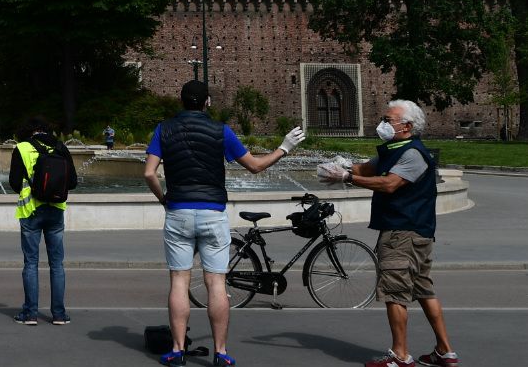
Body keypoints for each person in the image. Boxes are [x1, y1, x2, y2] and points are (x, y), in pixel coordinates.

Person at [143, 81, 305, 366]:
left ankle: (178, 350)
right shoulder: (221, 131)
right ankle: (220, 353)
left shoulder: (163, 129)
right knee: (216, 283)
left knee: (179, 282)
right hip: (212, 212)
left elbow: (149, 174)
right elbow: (254, 166)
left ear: (181, 101)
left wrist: (164, 200)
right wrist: (284, 148)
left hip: (178, 211)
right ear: (207, 102)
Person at [318, 100, 458, 367]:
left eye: (388, 119)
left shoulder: (413, 154)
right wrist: (342, 167)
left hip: (402, 232)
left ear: (406, 126)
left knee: (394, 292)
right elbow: (368, 169)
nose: (382, 123)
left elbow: (389, 184)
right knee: (424, 290)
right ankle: (445, 351)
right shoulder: (394, 150)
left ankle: (400, 355)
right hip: (414, 231)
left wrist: (346, 179)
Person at [9, 117, 77, 326]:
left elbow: (13, 183)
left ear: (28, 131)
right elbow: (73, 183)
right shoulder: (60, 147)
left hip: (31, 211)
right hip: (56, 210)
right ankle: (58, 314)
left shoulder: (21, 148)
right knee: (57, 264)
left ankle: (30, 313)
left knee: (31, 263)